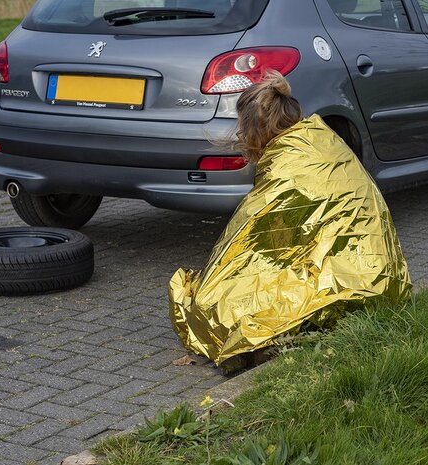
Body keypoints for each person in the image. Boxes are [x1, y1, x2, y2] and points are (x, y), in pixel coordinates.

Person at [169, 71, 411, 367]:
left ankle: (266, 340)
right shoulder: (319, 143)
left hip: (351, 281)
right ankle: (273, 339)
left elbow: (250, 243)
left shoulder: (289, 166)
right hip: (380, 279)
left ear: (254, 127)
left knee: (212, 305)